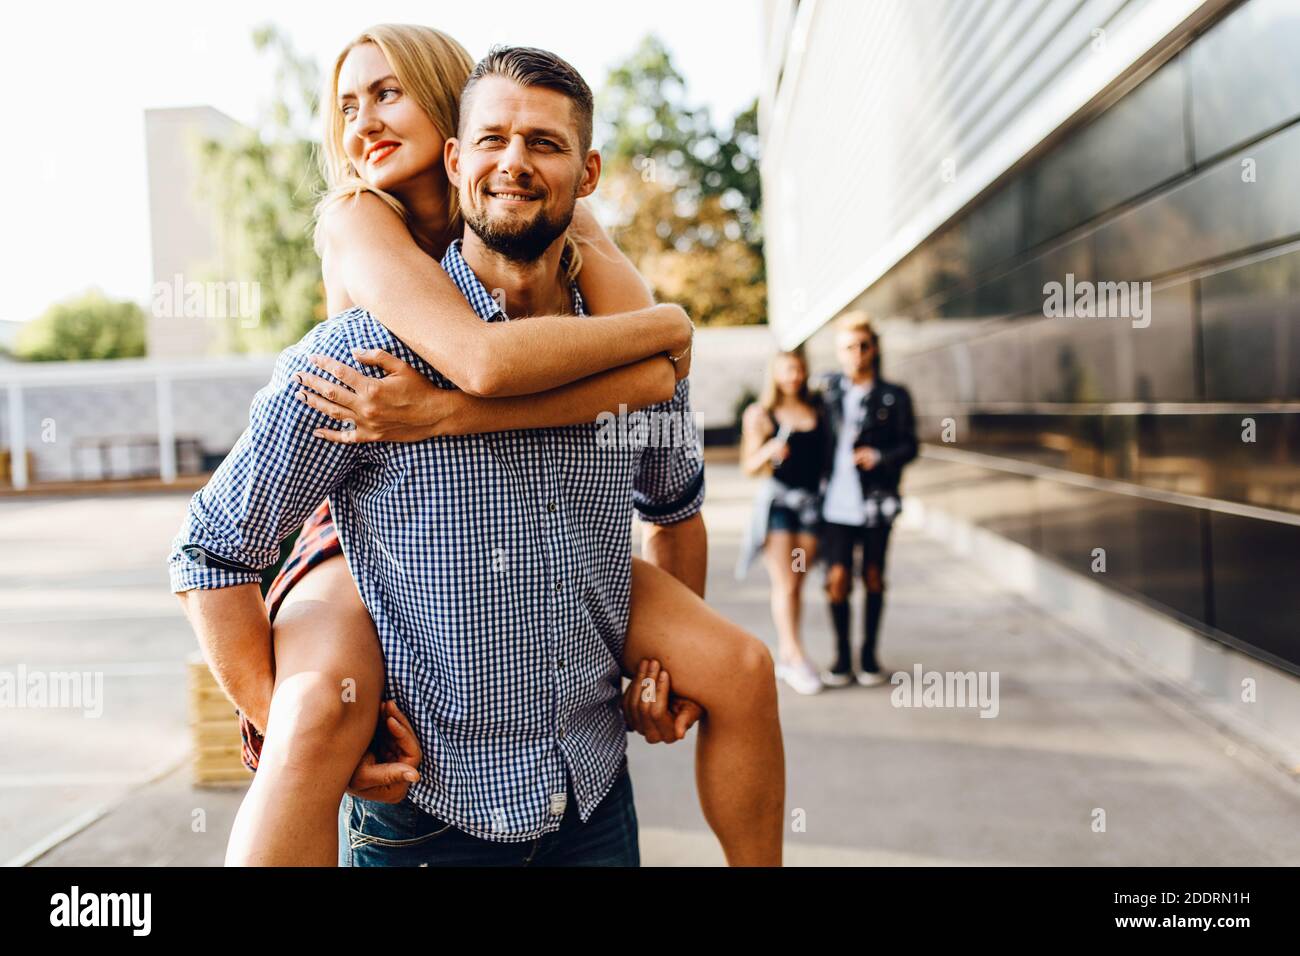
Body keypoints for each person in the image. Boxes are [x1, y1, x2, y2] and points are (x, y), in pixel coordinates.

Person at [170, 34, 784, 867]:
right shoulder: (362, 294)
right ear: (460, 156)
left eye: (543, 143)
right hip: (374, 608)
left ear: (588, 172)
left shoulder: (603, 309)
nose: (515, 162)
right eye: (494, 140)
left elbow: (670, 483)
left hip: (588, 795)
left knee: (743, 667)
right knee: (316, 716)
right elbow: (212, 547)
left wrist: (655, 673)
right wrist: (280, 721)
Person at [817, 311, 917, 687]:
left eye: (863, 345)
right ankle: (842, 657)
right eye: (849, 346)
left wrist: (880, 457)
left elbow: (910, 445)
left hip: (876, 501)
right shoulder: (828, 394)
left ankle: (870, 655)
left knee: (873, 576)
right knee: (837, 578)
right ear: (839, 352)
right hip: (834, 503)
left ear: (874, 349)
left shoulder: (894, 395)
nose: (857, 353)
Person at [736, 349, 828, 695]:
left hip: (809, 509)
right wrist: (769, 449)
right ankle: (793, 653)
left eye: (799, 369)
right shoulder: (762, 414)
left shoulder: (817, 411)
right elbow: (749, 466)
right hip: (778, 508)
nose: (794, 376)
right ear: (774, 373)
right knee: (786, 582)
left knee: (798, 582)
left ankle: (790, 654)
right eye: (787, 369)